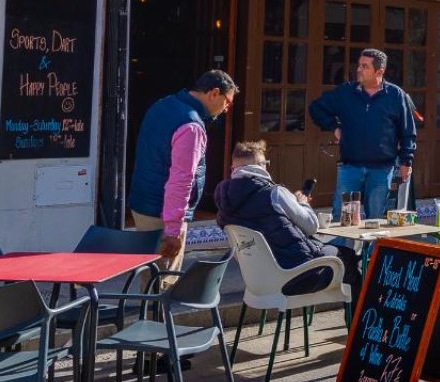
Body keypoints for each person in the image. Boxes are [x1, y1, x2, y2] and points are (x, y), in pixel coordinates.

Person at [128, 69, 237, 269]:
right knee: (164, 282)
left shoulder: (162, 105)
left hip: (142, 203)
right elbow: (181, 181)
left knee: (148, 277)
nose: (227, 109)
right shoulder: (191, 125)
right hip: (162, 212)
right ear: (213, 93)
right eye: (227, 102)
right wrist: (173, 231)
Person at [213, 140, 354, 294]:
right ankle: (366, 317)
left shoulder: (222, 197)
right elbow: (312, 226)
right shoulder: (275, 193)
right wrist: (302, 204)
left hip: (257, 280)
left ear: (234, 168)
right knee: (349, 258)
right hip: (297, 276)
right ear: (261, 166)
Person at [307, 48, 417, 221]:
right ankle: (342, 250)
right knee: (342, 219)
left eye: (365, 66)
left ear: (379, 71)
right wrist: (334, 127)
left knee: (376, 219)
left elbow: (408, 132)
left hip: (382, 169)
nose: (358, 69)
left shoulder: (396, 96)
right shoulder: (345, 92)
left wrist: (406, 161)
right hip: (350, 167)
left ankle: (370, 249)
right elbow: (316, 108)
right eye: (359, 65)